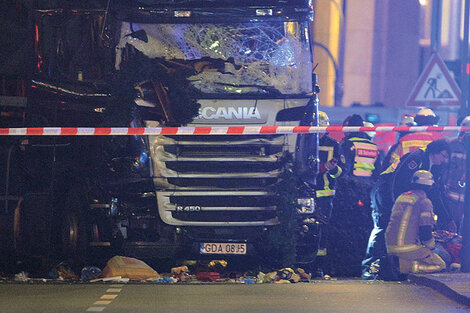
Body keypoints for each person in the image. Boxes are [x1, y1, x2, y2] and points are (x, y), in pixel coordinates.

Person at [361, 138, 450, 280]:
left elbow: (435, 192)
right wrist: (396, 206)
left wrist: (446, 217)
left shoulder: (432, 165)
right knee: (382, 226)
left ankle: (389, 266)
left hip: (400, 198)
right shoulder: (416, 158)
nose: (444, 160)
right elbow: (397, 182)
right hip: (385, 192)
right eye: (443, 155)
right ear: (434, 151)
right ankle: (370, 267)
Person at [385, 170, 446, 274]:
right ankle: (403, 267)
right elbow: (425, 232)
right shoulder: (424, 202)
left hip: (390, 246)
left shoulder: (402, 197)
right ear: (429, 186)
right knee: (441, 264)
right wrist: (432, 247)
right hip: (407, 248)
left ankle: (399, 262)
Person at [314, 111, 343, 257]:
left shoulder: (334, 145)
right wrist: (323, 167)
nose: (319, 133)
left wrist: (333, 169)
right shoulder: (303, 141)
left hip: (325, 195)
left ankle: (319, 265)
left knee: (322, 230)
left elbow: (340, 173)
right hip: (305, 192)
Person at [442, 116, 470, 231]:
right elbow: (443, 170)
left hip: (465, 198)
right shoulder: (451, 145)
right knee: (450, 231)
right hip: (451, 198)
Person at [340, 114, 380, 178]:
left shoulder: (348, 144)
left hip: (352, 184)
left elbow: (345, 167)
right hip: (369, 184)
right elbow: (378, 170)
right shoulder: (374, 146)